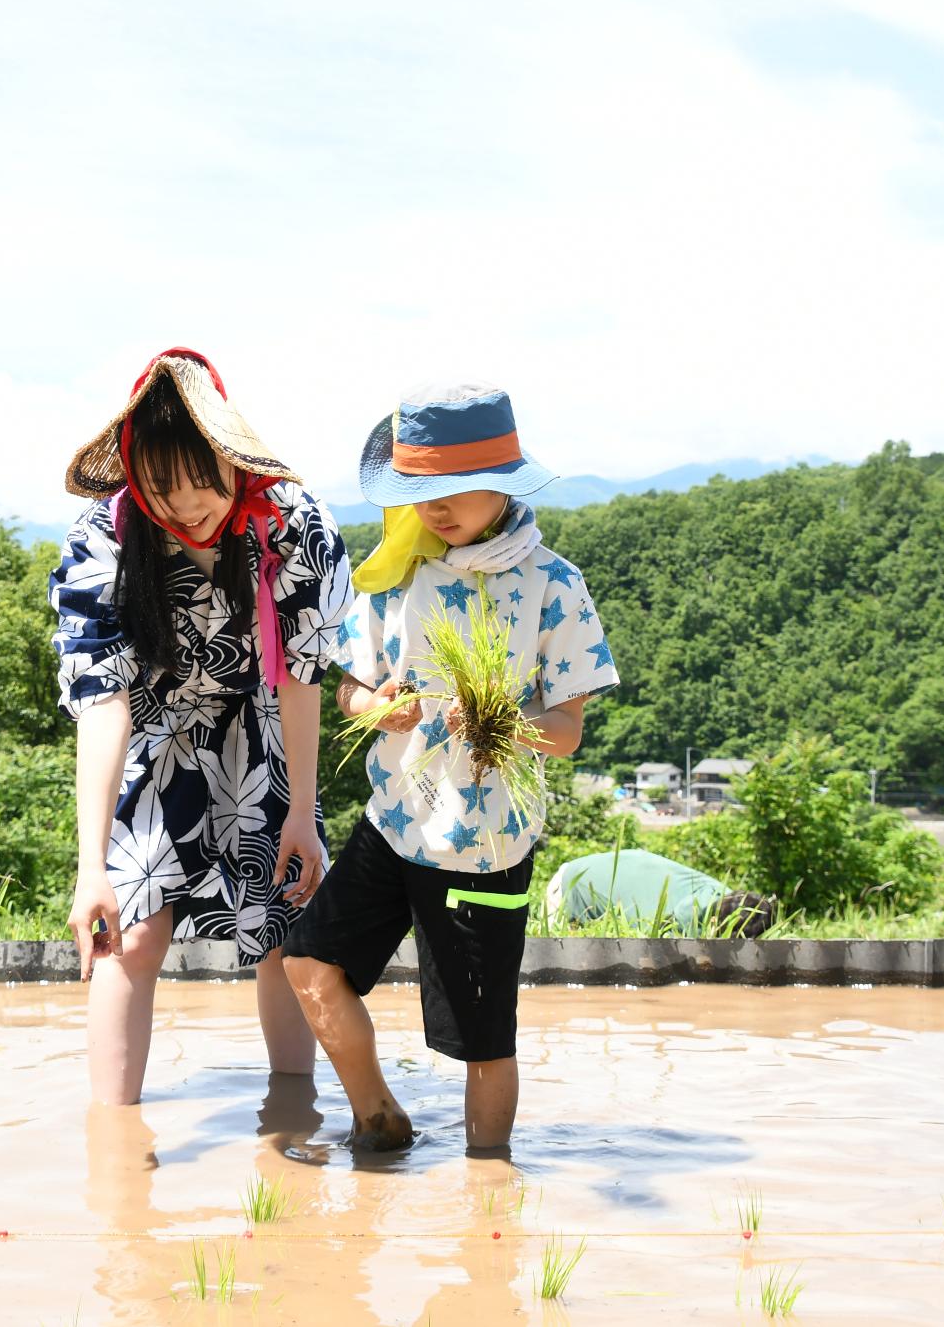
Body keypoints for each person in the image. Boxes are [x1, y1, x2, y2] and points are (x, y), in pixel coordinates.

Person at [284, 382, 619, 1151]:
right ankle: (379, 1118)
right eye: (418, 489)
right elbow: (349, 687)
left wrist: (503, 721)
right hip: (394, 821)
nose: (432, 507)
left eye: (452, 487)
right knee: (308, 962)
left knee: (484, 1039)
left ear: (503, 482)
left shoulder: (554, 585)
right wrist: (374, 706)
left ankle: (487, 1185)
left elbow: (567, 730)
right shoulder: (399, 572)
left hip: (487, 842)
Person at [52, 348, 352, 1105]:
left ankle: (293, 1115)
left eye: (202, 486)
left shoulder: (294, 523)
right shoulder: (104, 535)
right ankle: (112, 1136)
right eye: (162, 490)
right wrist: (91, 867)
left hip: (264, 725)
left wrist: (301, 813)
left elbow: (301, 675)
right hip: (154, 733)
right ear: (134, 478)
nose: (187, 509)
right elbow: (103, 701)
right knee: (127, 931)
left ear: (232, 463)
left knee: (283, 924)